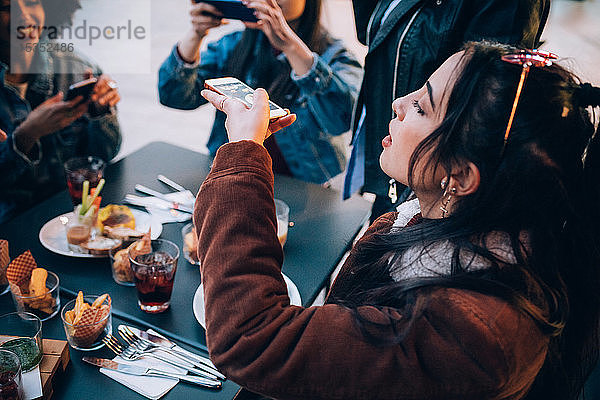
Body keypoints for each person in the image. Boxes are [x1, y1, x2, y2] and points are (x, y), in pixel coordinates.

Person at [194, 41, 600, 399]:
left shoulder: (468, 334)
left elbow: (253, 339)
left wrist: (243, 152)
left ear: (459, 177)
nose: (398, 103)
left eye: (422, 106)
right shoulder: (432, 221)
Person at [344, 0, 551, 222]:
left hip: (428, 183)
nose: (398, 103)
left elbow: (483, 110)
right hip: (402, 170)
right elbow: (372, 31)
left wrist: (424, 190)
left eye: (422, 105)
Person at [158, 0, 362, 185]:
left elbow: (344, 119)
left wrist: (290, 46)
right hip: (234, 176)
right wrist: (196, 34)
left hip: (304, 187)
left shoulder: (335, 55)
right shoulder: (232, 46)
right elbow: (174, 95)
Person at [0, 0, 122, 223]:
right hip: (13, 227)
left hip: (77, 216)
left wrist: (100, 113)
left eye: (31, 2)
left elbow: (106, 154)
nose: (23, 16)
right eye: (5, 7)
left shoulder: (76, 68)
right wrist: (26, 136)